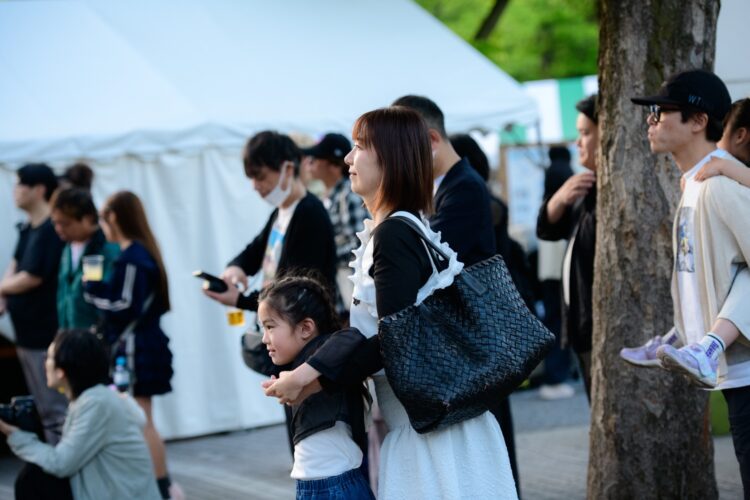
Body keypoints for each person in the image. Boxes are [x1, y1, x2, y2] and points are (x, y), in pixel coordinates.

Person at [265, 106, 518, 499]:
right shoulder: (405, 226)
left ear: (391, 157)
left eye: (360, 147)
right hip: (438, 426)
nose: (348, 159)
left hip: (430, 435)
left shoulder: (393, 234)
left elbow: (394, 340)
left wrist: (308, 375)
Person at [625, 69, 750, 492]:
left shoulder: (720, 186)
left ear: (699, 120)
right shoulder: (697, 184)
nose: (651, 121)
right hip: (736, 376)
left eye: (661, 111)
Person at [394, 96, 520, 493]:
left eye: (407, 146)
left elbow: (427, 261)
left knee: (488, 451)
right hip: (468, 341)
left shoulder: (464, 187)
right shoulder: (444, 187)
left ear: (431, 140)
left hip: (476, 340)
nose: (401, 159)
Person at [203, 130, 336, 456]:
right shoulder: (282, 213)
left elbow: (299, 293)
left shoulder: (309, 213)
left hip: (307, 344)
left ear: (288, 169)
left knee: (311, 440)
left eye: (261, 176)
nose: (256, 186)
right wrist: (235, 269)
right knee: (300, 437)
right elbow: (253, 252)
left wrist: (239, 300)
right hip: (293, 342)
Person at [620, 96, 750, 370]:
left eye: (722, 133)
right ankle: (683, 339)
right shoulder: (705, 180)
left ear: (741, 135)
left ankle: (707, 346)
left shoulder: (722, 182)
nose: (715, 143)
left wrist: (726, 167)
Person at [82, 191, 179, 500]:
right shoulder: (138, 253)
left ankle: (161, 486)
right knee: (140, 417)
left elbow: (124, 305)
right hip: (142, 342)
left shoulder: (133, 258)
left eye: (102, 218)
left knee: (142, 418)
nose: (101, 226)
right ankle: (158, 485)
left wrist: (92, 291)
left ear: (113, 217)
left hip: (138, 345)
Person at [0, 329, 161, 500]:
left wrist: (14, 434)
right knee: (36, 477)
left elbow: (61, 463)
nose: (45, 363)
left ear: (62, 370)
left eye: (49, 357)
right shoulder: (98, 398)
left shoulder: (96, 404)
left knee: (34, 479)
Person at [257, 275, 373, 500]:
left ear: (305, 328)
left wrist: (298, 378)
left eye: (270, 327)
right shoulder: (303, 359)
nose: (264, 338)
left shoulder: (322, 350)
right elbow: (252, 350)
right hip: (314, 487)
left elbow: (351, 336)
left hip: (335, 487)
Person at [536, 94, 599, 401]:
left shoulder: (606, 188)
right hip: (583, 325)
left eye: (585, 133)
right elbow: (548, 228)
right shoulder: (582, 185)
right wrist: (559, 199)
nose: (578, 142)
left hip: (598, 325)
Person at [0, 164, 67, 444]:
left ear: (39, 190)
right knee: (41, 405)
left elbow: (32, 277)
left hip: (45, 333)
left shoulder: (51, 229)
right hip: (26, 332)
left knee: (54, 406)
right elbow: (16, 266)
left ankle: (63, 459)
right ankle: (52, 458)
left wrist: (1, 289)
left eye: (20, 185)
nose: (15, 191)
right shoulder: (28, 228)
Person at [302, 133, 369, 314]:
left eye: (317, 158)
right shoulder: (329, 197)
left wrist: (325, 255)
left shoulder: (348, 195)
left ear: (333, 165)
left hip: (353, 293)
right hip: (340, 290)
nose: (310, 163)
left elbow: (360, 244)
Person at [536, 145, 576, 400]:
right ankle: (556, 376)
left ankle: (555, 375)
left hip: (547, 264)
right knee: (561, 322)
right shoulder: (566, 175)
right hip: (561, 262)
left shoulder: (549, 176)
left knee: (553, 320)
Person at [51, 188, 120, 330]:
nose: (58, 229)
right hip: (69, 332)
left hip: (93, 334)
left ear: (88, 219)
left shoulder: (106, 250)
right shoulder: (67, 249)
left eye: (65, 223)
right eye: (55, 223)